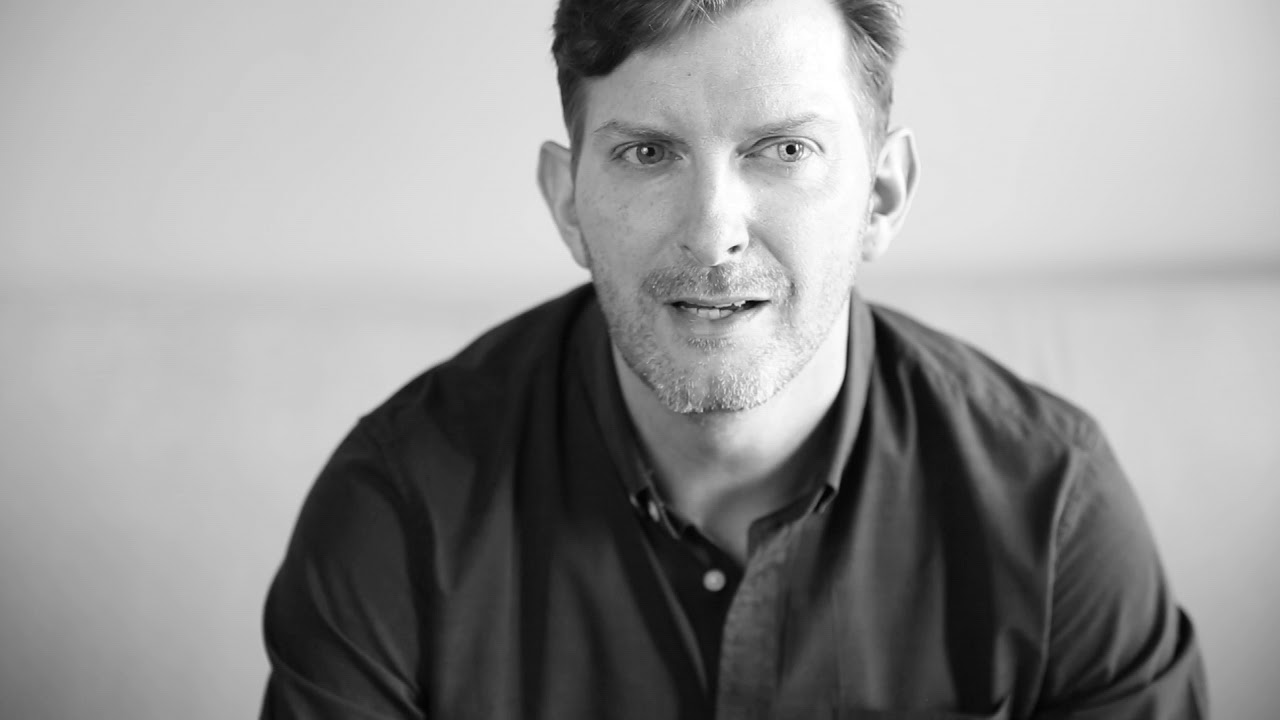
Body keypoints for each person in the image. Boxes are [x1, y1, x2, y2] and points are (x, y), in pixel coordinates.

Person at [260, 0, 1207, 717]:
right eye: (647, 154)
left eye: (784, 149)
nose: (713, 233)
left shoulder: (1053, 511)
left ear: (880, 197)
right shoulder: (399, 510)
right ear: (568, 203)